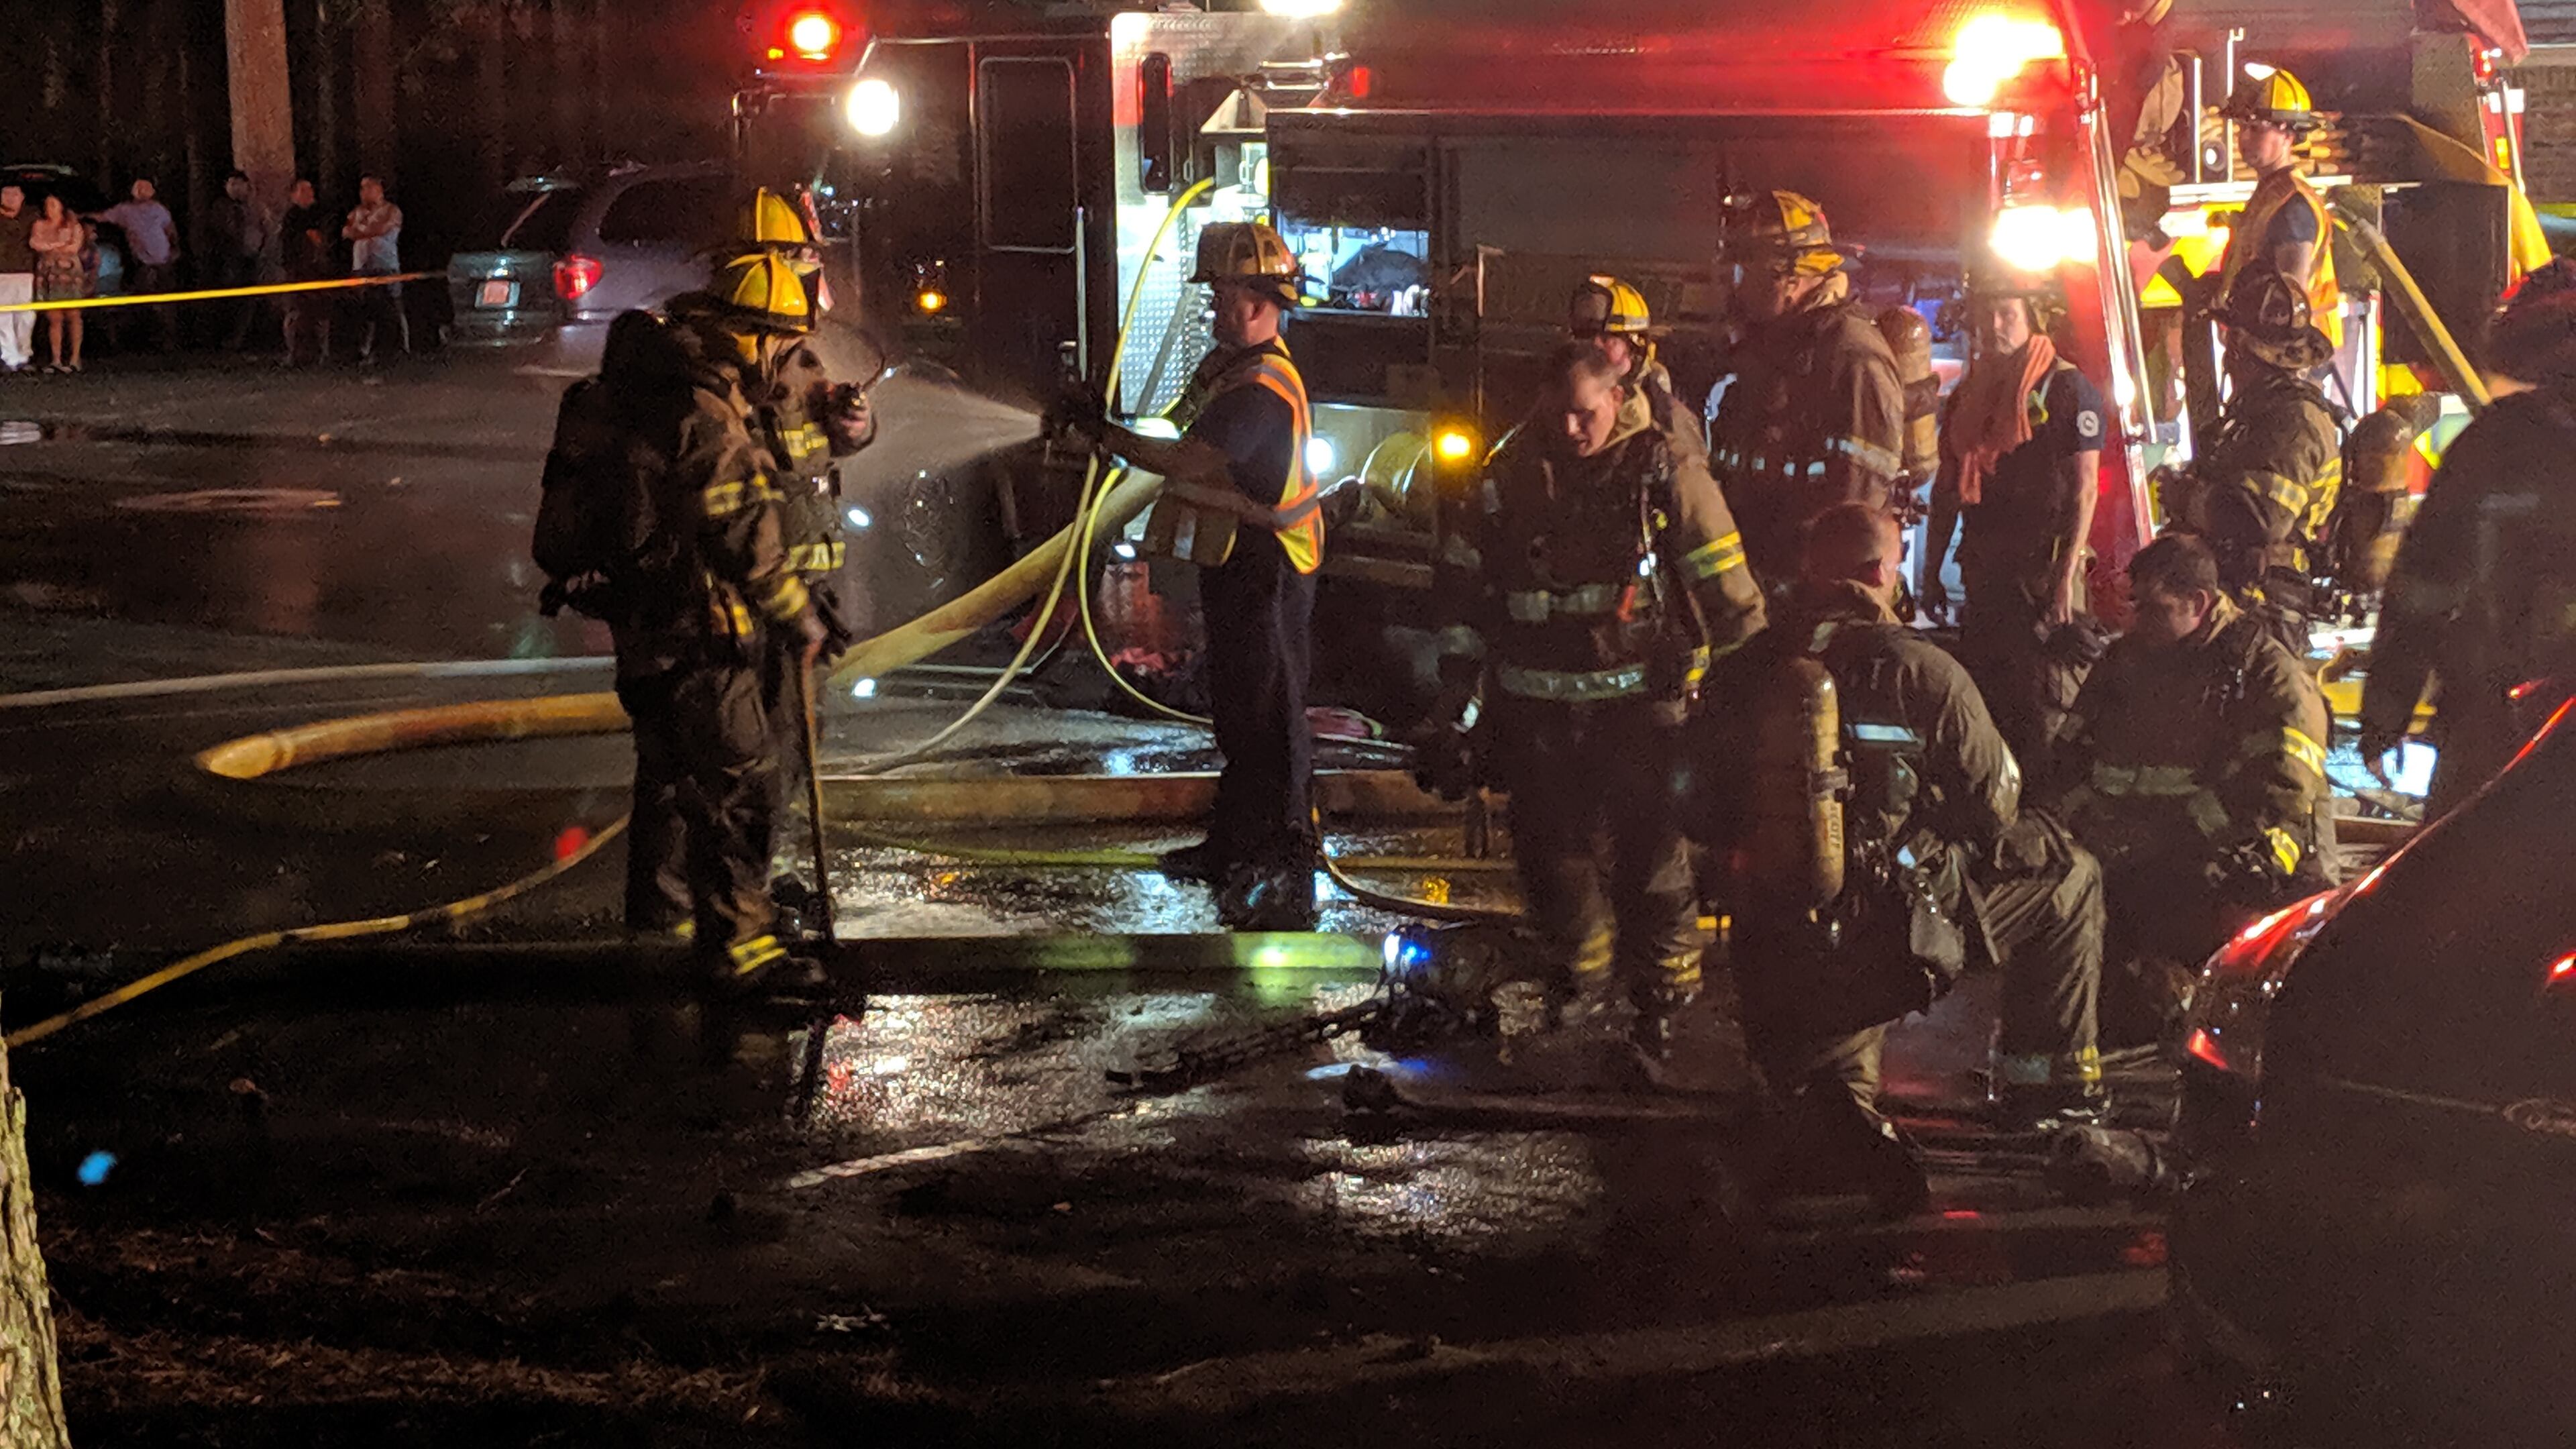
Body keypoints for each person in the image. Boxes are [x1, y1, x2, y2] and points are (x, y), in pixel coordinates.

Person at [1694, 504, 2107, 1212]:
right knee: (2071, 875)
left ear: (1809, 570)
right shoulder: (1921, 669)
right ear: (1883, 572)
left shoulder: (1742, 669)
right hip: (1888, 943)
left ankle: (1821, 1098)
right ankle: (2050, 1096)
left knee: (1823, 1092)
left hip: (1767, 948)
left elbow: (1695, 809)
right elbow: (1995, 806)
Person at [1430, 343, 1759, 1059]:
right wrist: (1454, 701)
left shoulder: (1664, 471)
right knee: (1554, 863)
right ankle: (1578, 991)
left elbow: (1727, 588)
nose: (1572, 429)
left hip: (1642, 712)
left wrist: (1751, 700)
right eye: (1559, 415)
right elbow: (1462, 590)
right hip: (1536, 717)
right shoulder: (1506, 475)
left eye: (1586, 414)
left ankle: (1663, 1006)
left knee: (1653, 865)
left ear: (1618, 397)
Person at [1049, 221, 1326, 929]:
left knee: (1270, 717)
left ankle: (1285, 859)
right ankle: (1233, 845)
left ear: (1258, 299)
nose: (1214, 306)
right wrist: (1108, 423)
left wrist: (1105, 435)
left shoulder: (1261, 387)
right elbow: (1175, 431)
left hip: (1271, 563)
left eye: (1222, 293)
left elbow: (1188, 460)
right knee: (1238, 708)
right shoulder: (1226, 369)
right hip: (1236, 557)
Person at [623, 257, 836, 997]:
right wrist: (800, 615)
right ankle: (743, 957)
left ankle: (667, 926)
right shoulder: (707, 412)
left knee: (679, 784)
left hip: (653, 630)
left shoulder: (659, 390)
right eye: (780, 342)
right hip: (702, 635)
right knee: (740, 789)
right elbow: (742, 534)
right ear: (752, 337)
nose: (783, 357)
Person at [684, 186, 877, 930]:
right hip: (753, 593)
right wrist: (791, 606)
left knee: (782, 751)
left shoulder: (788, 346)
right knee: (745, 761)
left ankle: (751, 888)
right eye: (796, 256)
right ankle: (734, 914)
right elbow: (733, 498)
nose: (807, 270)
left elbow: (816, 450)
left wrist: (852, 424)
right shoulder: (729, 360)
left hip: (794, 581)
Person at [2050, 534, 2331, 1040]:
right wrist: (2087, 825)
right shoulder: (2124, 663)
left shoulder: (2265, 674)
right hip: (2128, 860)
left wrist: (2166, 838)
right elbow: (2068, 758)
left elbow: (2279, 790)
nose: (2136, 622)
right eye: (2135, 606)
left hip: (2216, 861)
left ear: (2198, 604)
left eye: (2154, 609)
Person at [2361, 282, 2576, 817]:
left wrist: (2385, 716)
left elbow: (2421, 590)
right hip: (2501, 721)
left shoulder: (2493, 445)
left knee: (2464, 858)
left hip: (2496, 730)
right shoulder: (2494, 445)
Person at [1921, 269, 2108, 771]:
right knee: (1986, 704)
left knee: (2046, 705)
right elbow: (1947, 489)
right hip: (1987, 577)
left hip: (2043, 577)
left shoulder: (2067, 389)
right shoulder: (1969, 397)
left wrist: (2065, 580)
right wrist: (1931, 571)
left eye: (2007, 314)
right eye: (1986, 316)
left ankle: (2044, 807)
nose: (1994, 326)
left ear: (2033, 320)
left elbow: (2085, 489)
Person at [1706, 191, 1907, 590]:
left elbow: (1858, 508)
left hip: (1812, 593)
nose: (1737, 288)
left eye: (1747, 272)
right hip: (1758, 582)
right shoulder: (1770, 351)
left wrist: (1820, 595)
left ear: (1789, 278)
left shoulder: (1852, 356)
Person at [1566, 274, 1767, 644]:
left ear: (1637, 348)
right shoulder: (1561, 415)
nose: (1592, 349)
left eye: (1607, 339)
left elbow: (1703, 533)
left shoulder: (1667, 427)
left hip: (1653, 627)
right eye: (1583, 336)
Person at [2176, 266, 2343, 653]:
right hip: (2238, 606)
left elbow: (2263, 521)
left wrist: (2187, 499)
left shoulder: (2293, 420)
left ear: (2240, 347)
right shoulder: (2259, 413)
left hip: (2262, 615)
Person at [2216, 64, 2340, 349]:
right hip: (2272, 354)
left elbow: (2290, 303)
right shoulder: (2270, 194)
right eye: (2242, 128)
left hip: (2296, 356)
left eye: (2256, 129)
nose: (2244, 139)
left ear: (2288, 134)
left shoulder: (2292, 206)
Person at [97, 177, 180, 352]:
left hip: (163, 261)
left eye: (147, 188)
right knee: (143, 299)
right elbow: (103, 217)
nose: (143, 192)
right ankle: (144, 339)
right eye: (140, 189)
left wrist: (174, 249)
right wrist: (79, 216)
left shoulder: (159, 209)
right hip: (143, 263)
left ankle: (169, 340)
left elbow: (170, 229)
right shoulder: (126, 211)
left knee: (166, 300)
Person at [342, 175, 408, 364]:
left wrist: (360, 231)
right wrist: (363, 231)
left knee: (393, 305)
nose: (364, 192)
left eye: (369, 187)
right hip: (362, 267)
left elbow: (381, 229)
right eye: (362, 188)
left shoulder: (392, 211)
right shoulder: (357, 212)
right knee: (365, 309)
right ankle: (365, 349)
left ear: (379, 189)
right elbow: (347, 232)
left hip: (385, 266)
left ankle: (402, 345)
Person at [207, 169, 272, 350]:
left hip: (251, 258)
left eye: (239, 184)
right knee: (229, 298)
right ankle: (225, 338)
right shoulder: (221, 207)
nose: (235, 188)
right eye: (232, 184)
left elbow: (267, 229)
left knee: (249, 299)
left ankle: (243, 337)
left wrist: (261, 250)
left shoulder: (256, 208)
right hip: (227, 259)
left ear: (247, 186)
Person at [29, 195, 88, 374]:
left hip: (69, 274)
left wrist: (51, 246)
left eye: (54, 204)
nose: (50, 208)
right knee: (54, 317)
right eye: (47, 204)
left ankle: (75, 359)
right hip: (48, 274)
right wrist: (58, 245)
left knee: (73, 315)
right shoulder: (39, 225)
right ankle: (56, 359)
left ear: (62, 206)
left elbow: (74, 247)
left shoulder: (73, 226)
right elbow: (35, 243)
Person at [279, 178, 332, 366]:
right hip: (297, 272)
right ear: (294, 195)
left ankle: (323, 352)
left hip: (318, 271)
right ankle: (292, 352)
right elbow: (287, 248)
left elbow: (326, 241)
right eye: (303, 190)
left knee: (321, 313)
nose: (308, 193)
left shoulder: (322, 215)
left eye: (310, 189)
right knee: (294, 312)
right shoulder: (291, 218)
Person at [0, 184, 33, 372]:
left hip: (25, 273)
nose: (10, 198)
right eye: (6, 193)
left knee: (26, 316)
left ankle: (24, 354)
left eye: (15, 194)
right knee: (3, 316)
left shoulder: (31, 216)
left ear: (22, 197)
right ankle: (9, 357)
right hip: (2, 273)